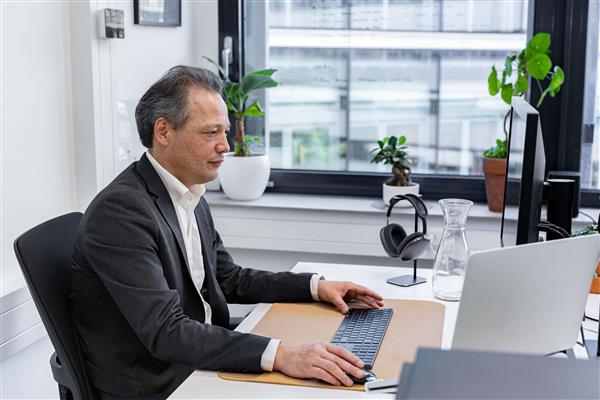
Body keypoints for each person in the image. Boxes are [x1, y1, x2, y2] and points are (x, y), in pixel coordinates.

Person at [69, 65, 384, 399]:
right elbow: (166, 332)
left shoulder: (188, 191)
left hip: (197, 359)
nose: (224, 146)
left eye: (225, 132)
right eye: (210, 133)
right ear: (163, 131)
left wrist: (315, 287)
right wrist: (281, 354)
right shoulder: (121, 211)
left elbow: (229, 279)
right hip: (160, 381)